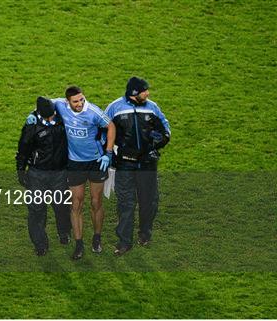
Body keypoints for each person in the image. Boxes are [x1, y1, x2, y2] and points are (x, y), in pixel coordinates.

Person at [27, 86, 115, 260]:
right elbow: (43, 105)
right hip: (74, 163)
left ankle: (97, 238)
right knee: (76, 204)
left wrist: (108, 153)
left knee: (96, 203)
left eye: (82, 99)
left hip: (96, 162)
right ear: (68, 102)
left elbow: (111, 126)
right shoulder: (59, 105)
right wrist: (33, 115)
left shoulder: (93, 112)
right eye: (76, 101)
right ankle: (79, 244)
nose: (80, 103)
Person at [105, 77, 171, 256]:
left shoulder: (153, 107)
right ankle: (124, 241)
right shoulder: (115, 108)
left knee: (149, 202)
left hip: (147, 164)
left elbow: (166, 129)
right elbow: (104, 131)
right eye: (144, 91)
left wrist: (159, 142)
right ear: (134, 93)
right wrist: (108, 154)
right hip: (124, 164)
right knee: (126, 203)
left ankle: (145, 233)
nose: (147, 93)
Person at [16, 96, 72, 256]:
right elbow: (23, 149)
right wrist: (21, 170)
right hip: (37, 174)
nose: (51, 117)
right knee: (36, 210)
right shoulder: (31, 126)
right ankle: (40, 244)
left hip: (60, 173)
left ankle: (64, 233)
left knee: (61, 206)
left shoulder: (61, 117)